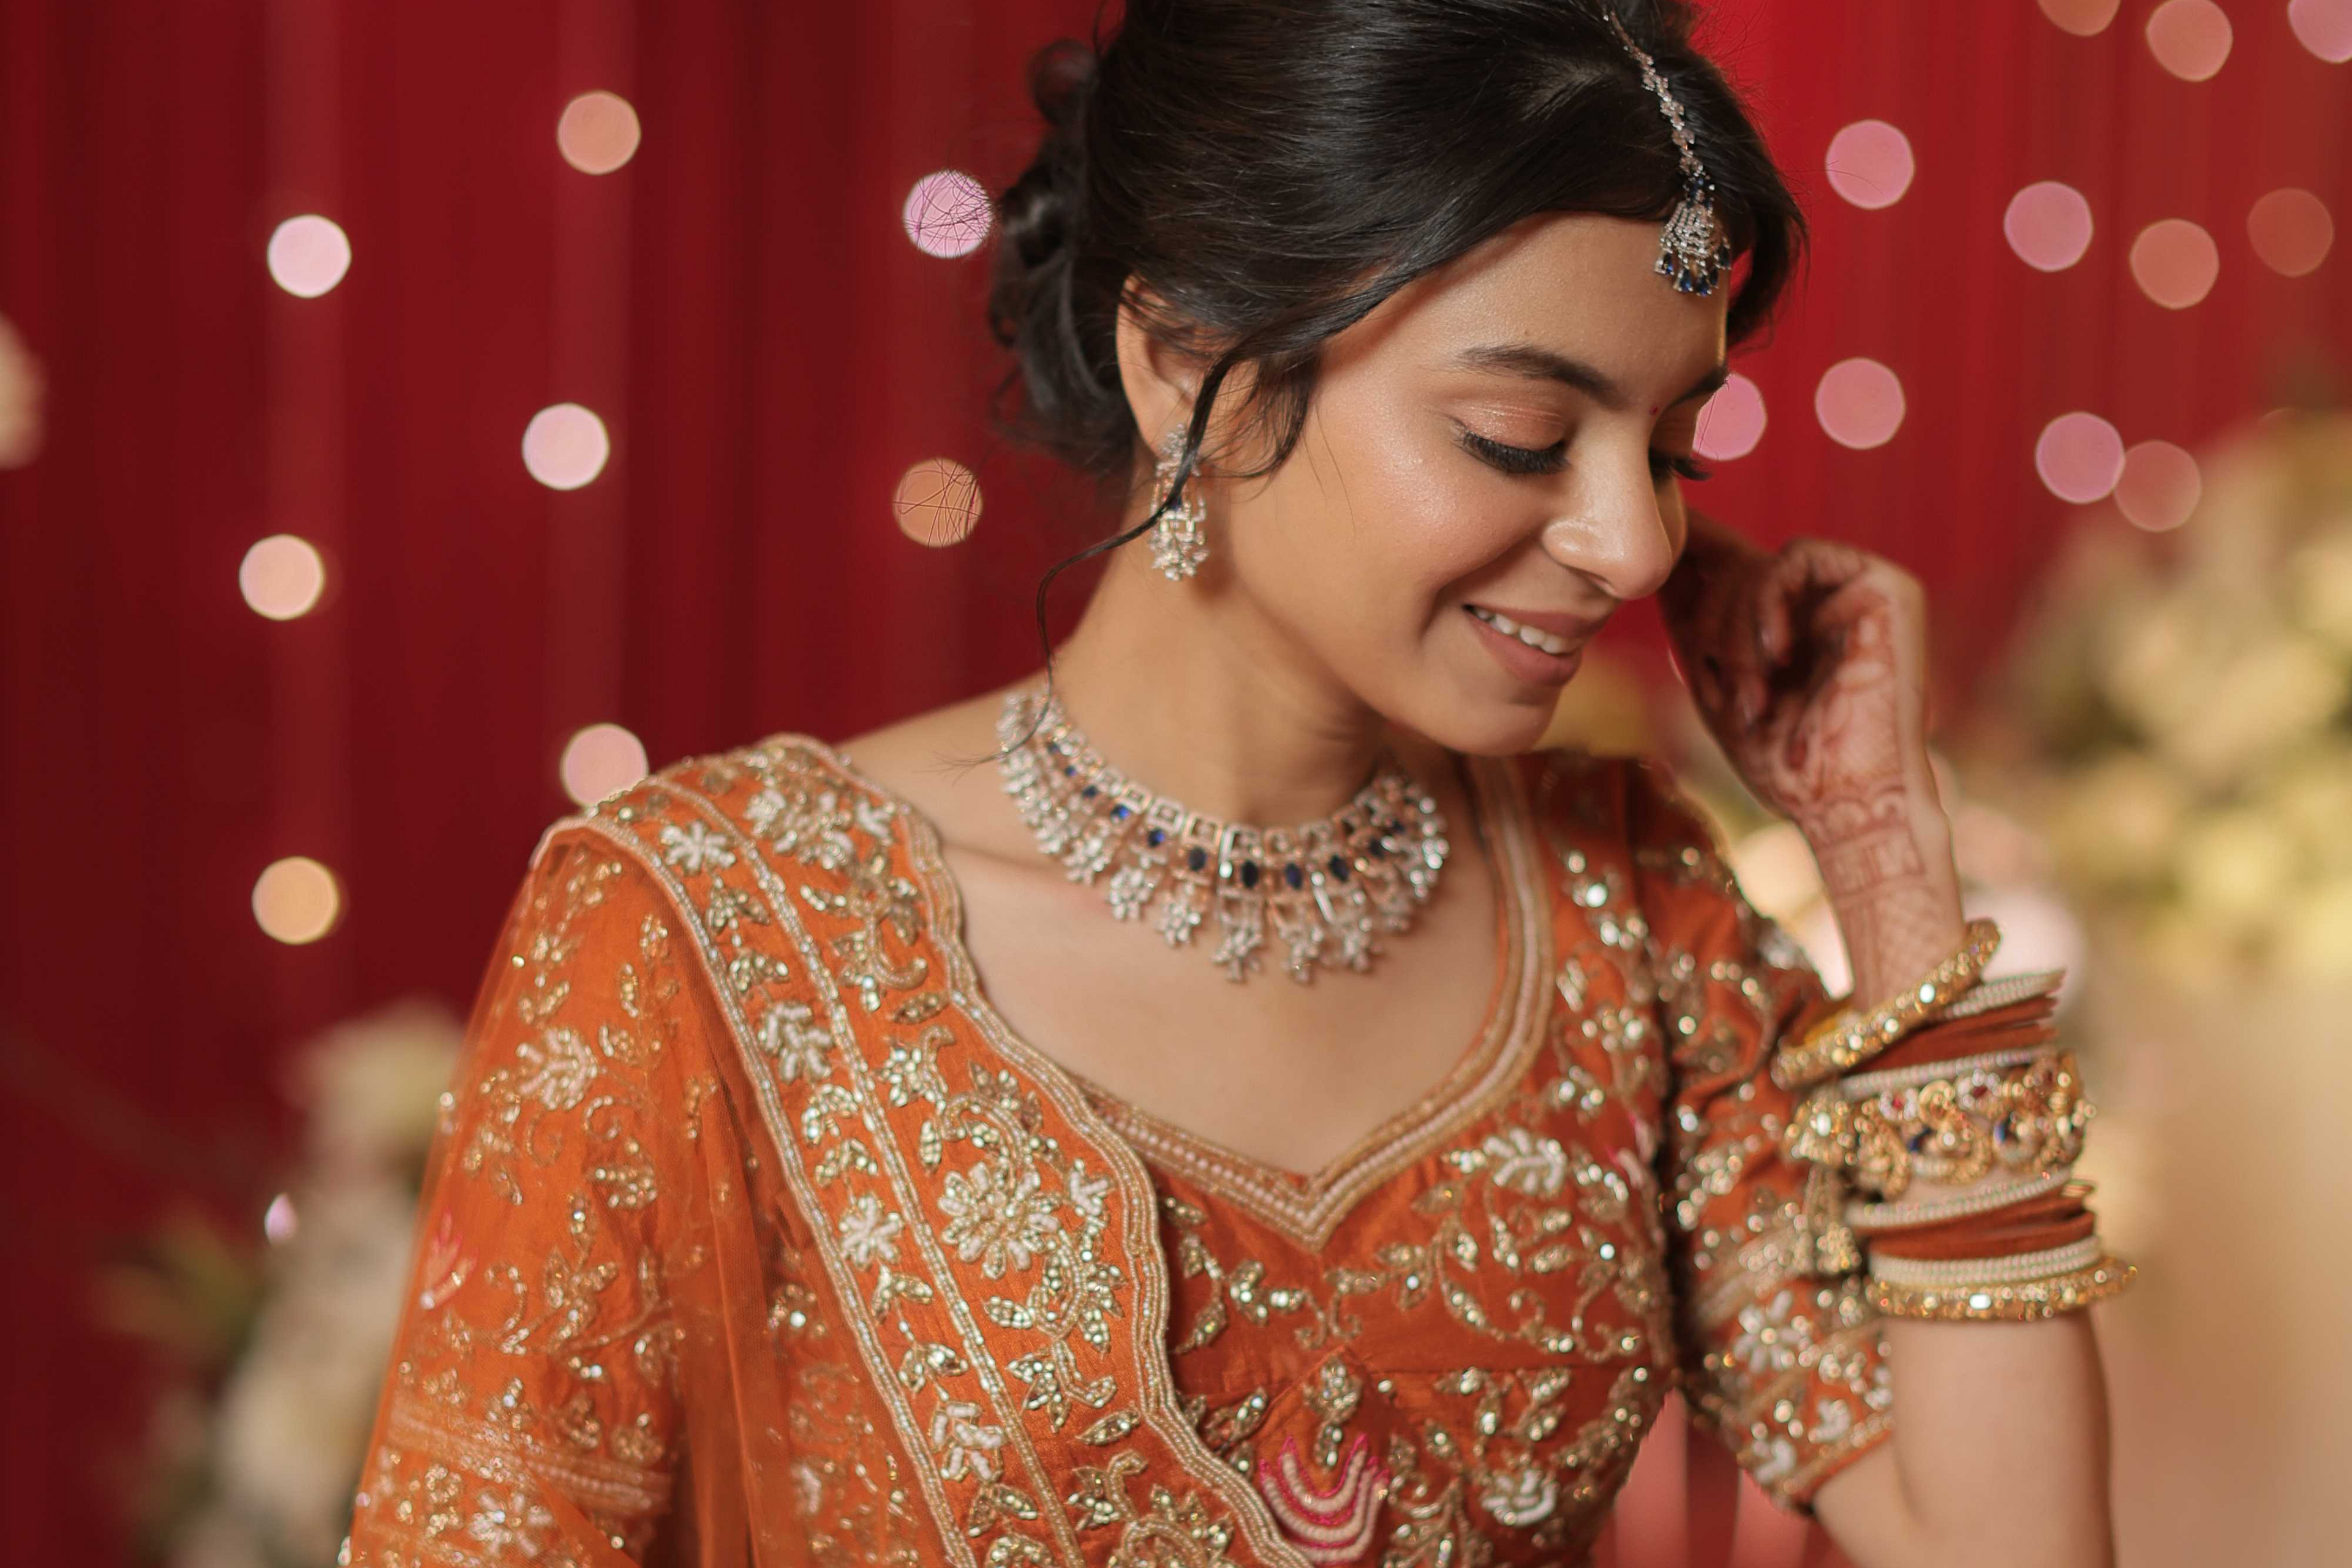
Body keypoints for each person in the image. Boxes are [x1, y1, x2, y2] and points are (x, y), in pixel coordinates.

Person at [342, 2, 2128, 1564]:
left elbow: (2010, 1550)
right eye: (1522, 435)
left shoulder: (1626, 911)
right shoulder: (709, 931)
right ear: (1188, 357)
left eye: (1669, 450)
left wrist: (1883, 847)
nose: (1633, 543)